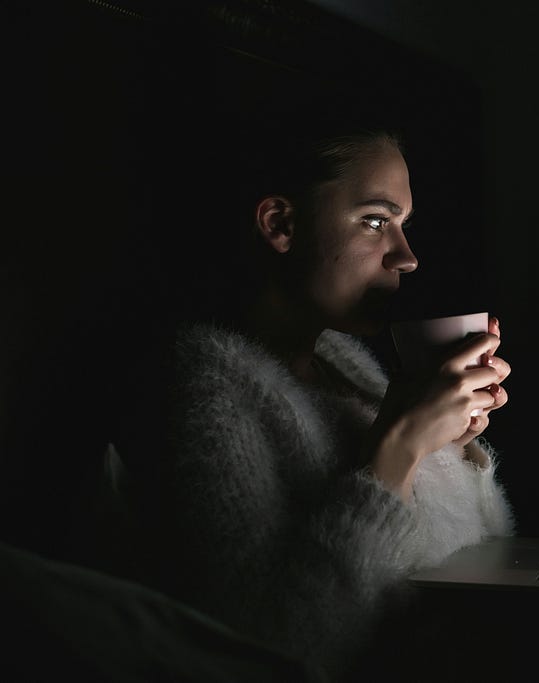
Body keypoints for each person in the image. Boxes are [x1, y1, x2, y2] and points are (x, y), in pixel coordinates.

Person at [104, 127, 515, 680]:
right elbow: (275, 642)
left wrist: (450, 446)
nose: (407, 256)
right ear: (280, 224)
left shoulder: (343, 359)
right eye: (376, 220)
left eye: (404, 226)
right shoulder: (205, 388)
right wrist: (399, 448)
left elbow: (483, 554)